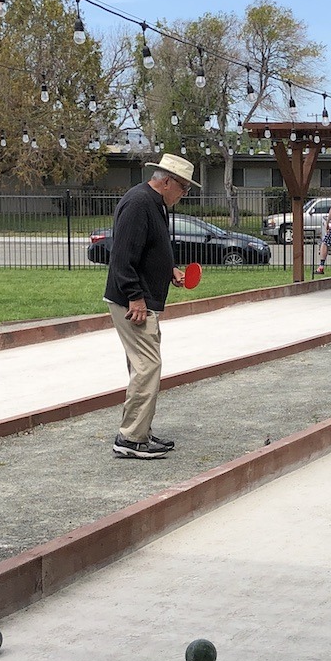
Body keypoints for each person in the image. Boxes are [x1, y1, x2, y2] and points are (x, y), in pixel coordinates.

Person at [104, 153, 193, 459]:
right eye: (184, 188)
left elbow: (149, 248)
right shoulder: (140, 203)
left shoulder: (154, 204)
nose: (184, 195)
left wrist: (169, 269)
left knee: (143, 366)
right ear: (167, 181)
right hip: (132, 301)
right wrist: (135, 296)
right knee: (148, 366)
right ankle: (131, 438)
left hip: (140, 297)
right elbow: (122, 255)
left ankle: (139, 431)